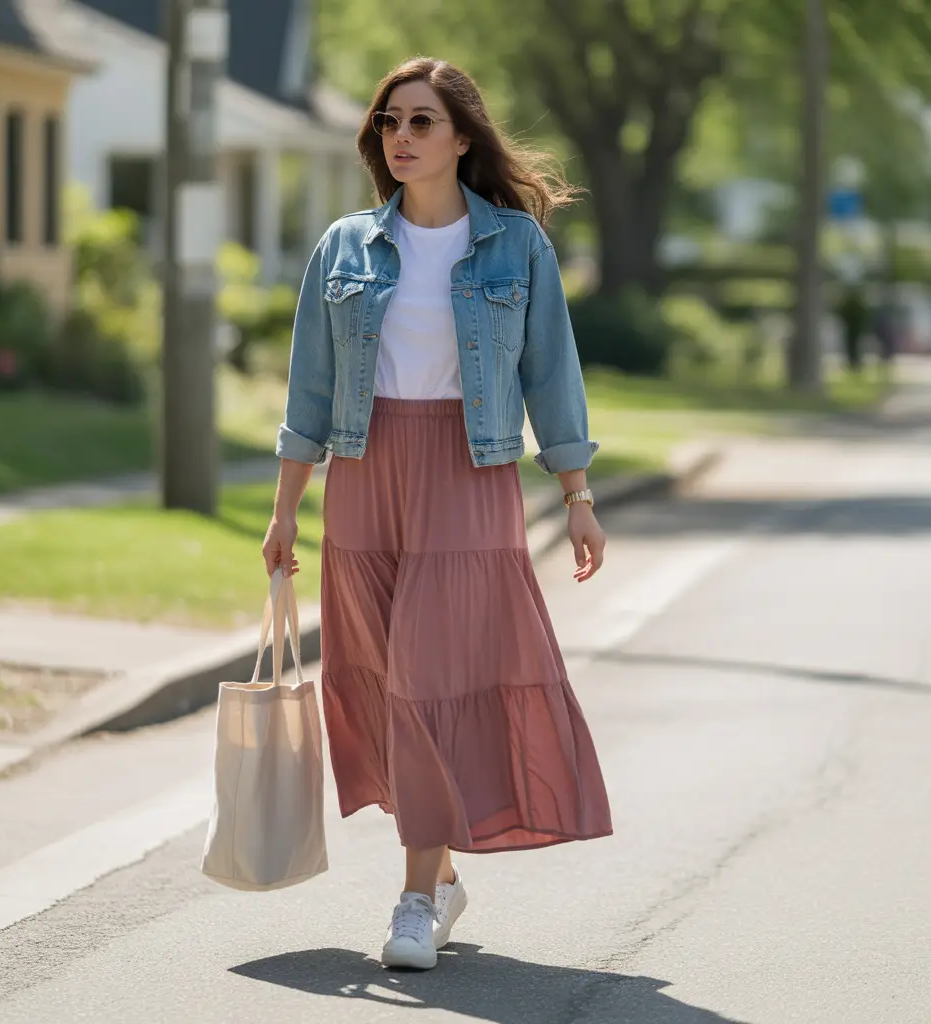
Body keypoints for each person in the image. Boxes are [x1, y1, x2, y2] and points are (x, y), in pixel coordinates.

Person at [262, 57, 612, 971]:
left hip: (469, 473)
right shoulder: (344, 248)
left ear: (463, 136)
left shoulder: (516, 247)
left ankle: (416, 897)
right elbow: (309, 389)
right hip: (365, 474)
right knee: (386, 684)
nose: (402, 137)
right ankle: (442, 874)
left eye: (421, 121)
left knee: (425, 677)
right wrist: (283, 514)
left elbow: (552, 375)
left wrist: (577, 496)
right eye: (389, 123)